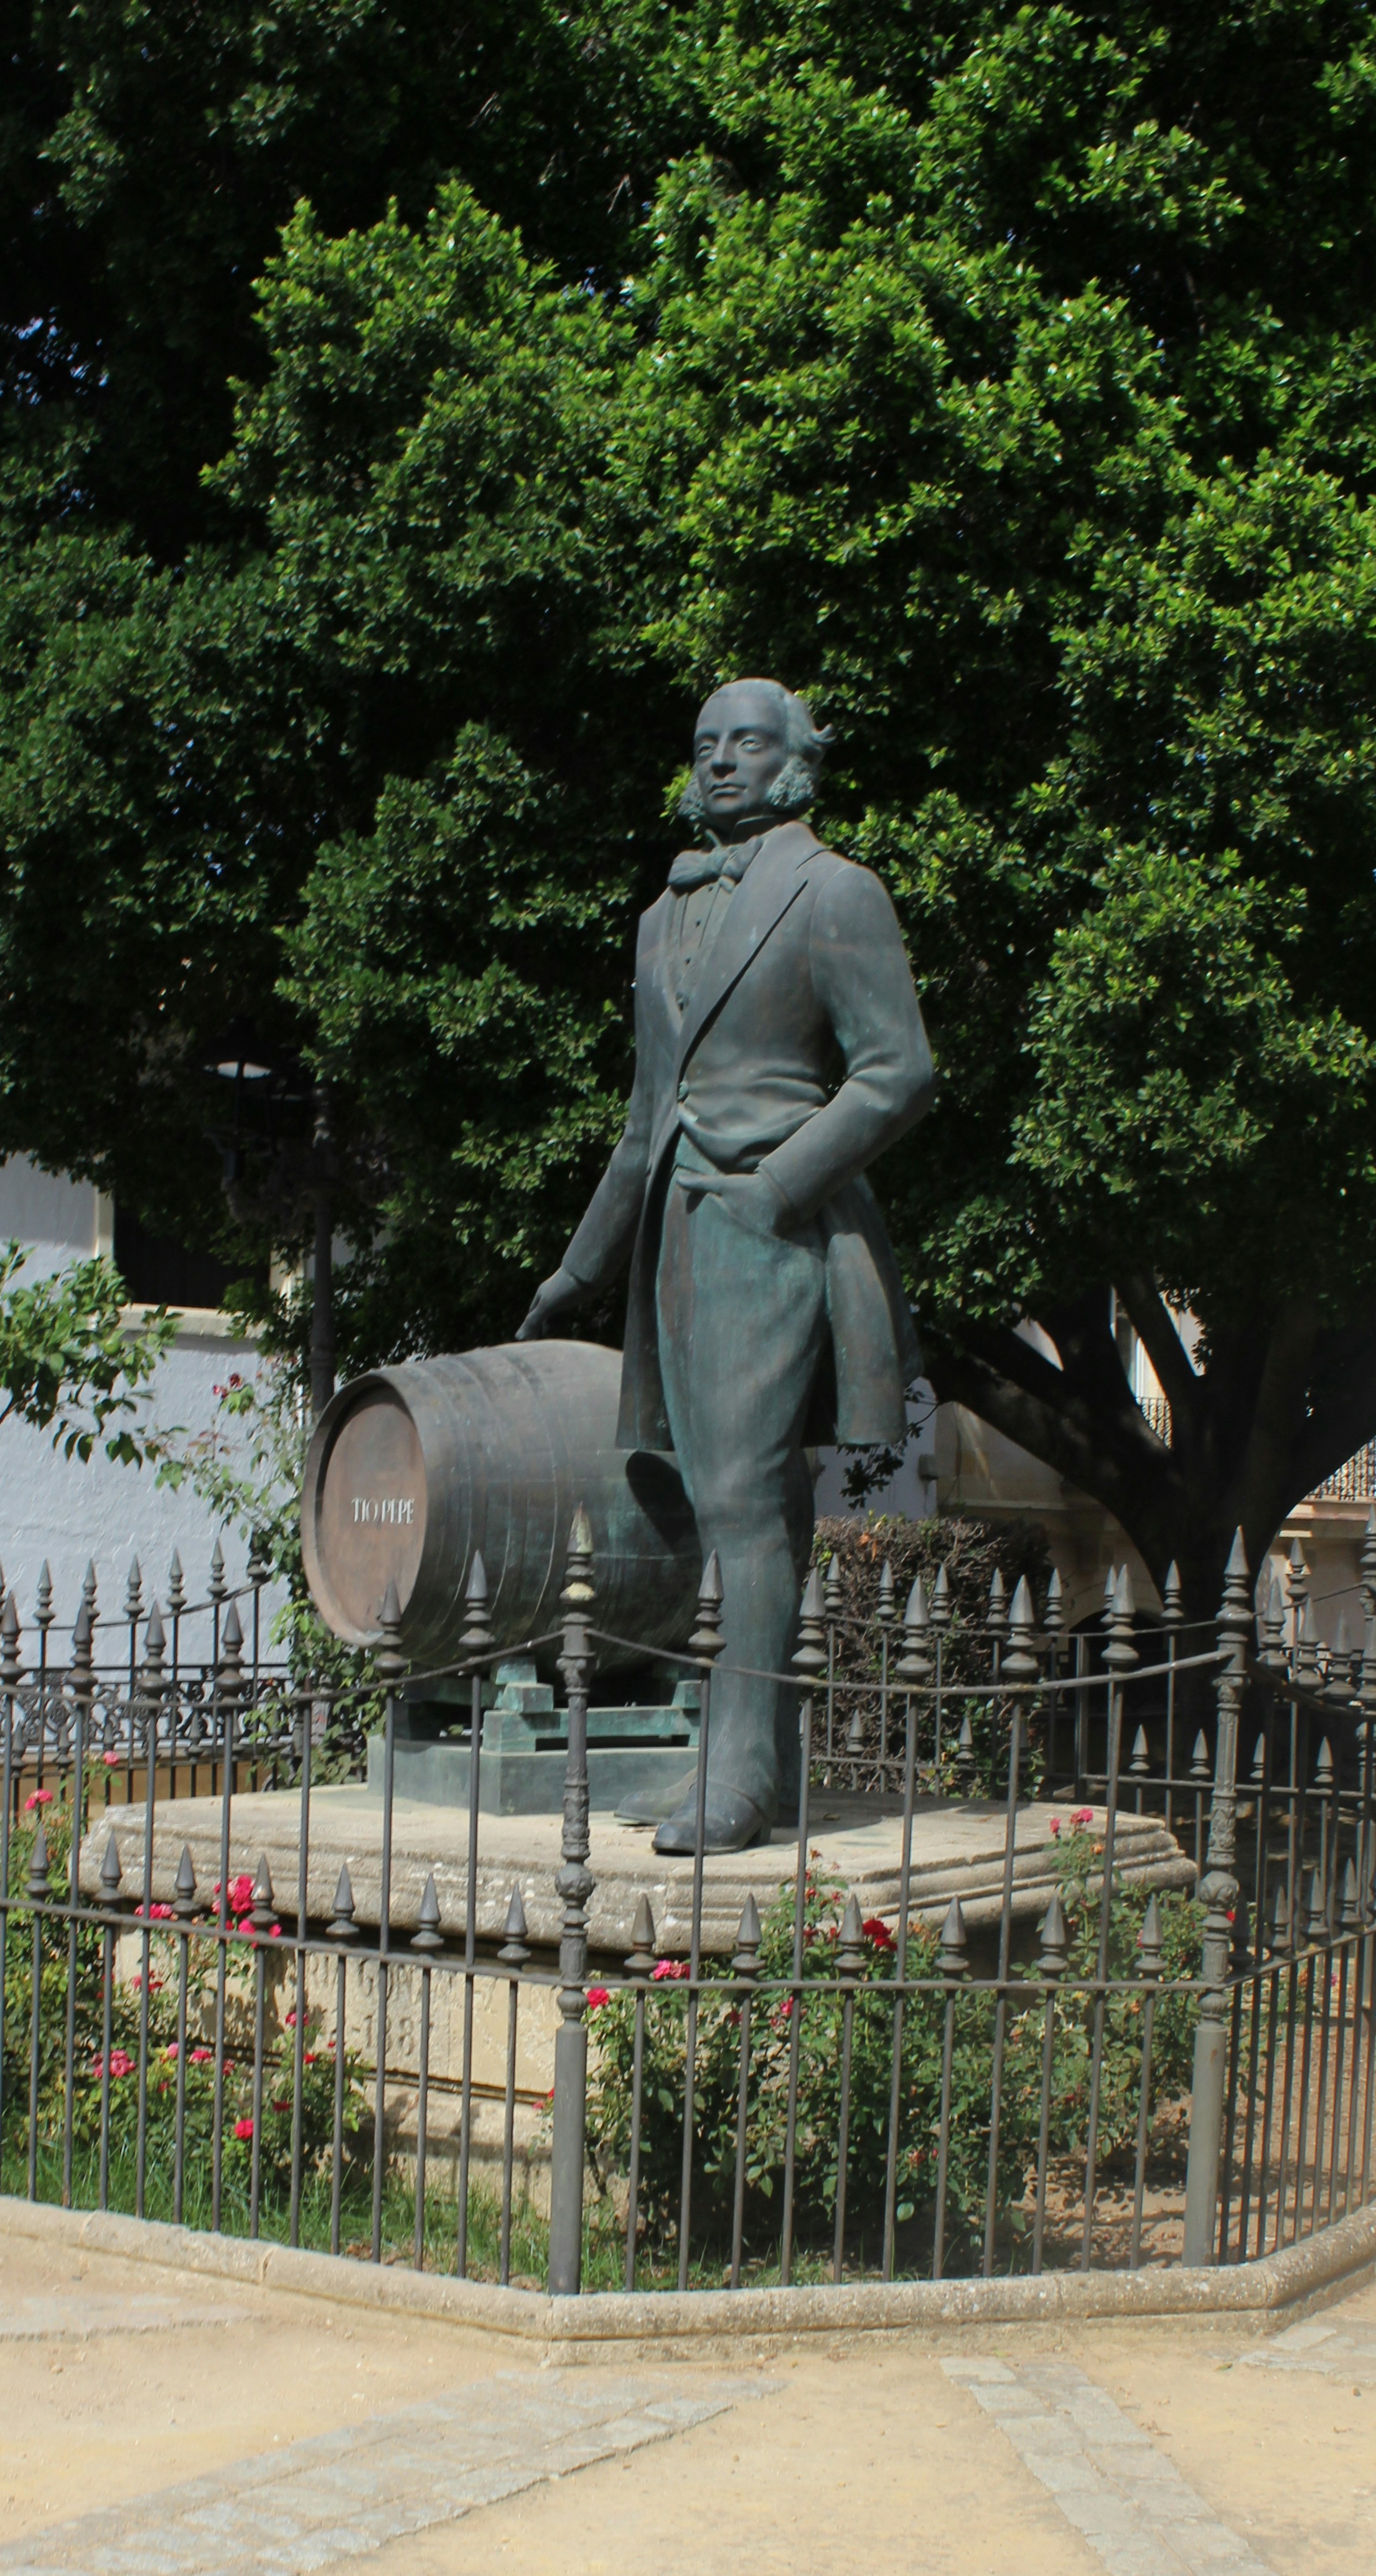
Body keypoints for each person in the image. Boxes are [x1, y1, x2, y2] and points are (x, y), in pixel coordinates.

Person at [519, 678, 934, 1850]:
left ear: (799, 759)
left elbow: (898, 1071)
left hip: (774, 1223)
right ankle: (758, 1762)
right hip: (675, 1235)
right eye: (704, 745)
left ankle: (740, 1775)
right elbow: (648, 1115)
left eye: (747, 742)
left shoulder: (838, 891)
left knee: (748, 1499)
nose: (720, 763)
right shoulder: (661, 918)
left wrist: (775, 1185)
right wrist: (578, 1269)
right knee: (719, 1505)